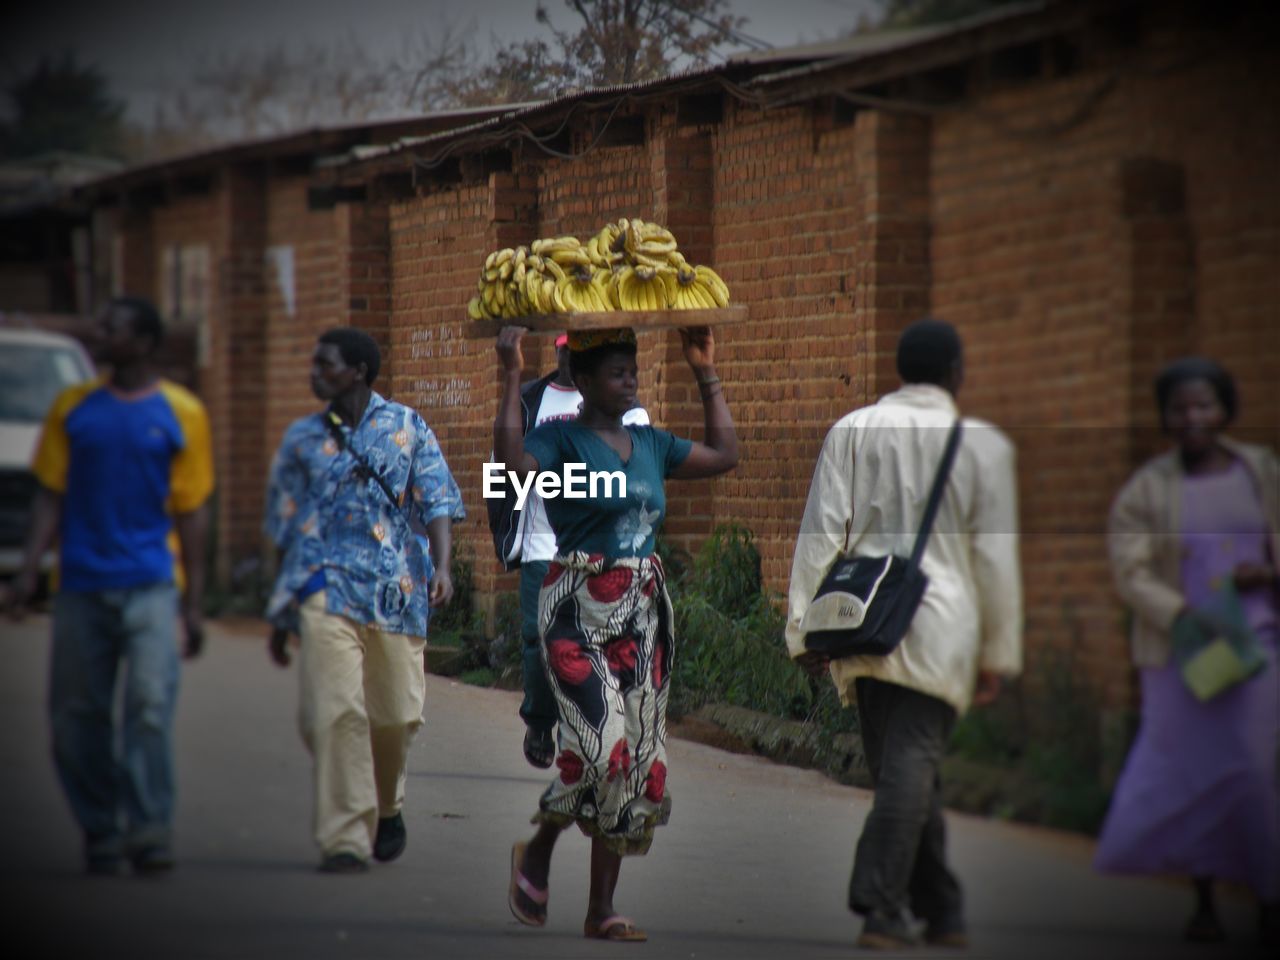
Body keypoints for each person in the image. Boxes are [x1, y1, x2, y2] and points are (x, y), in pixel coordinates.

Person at [785, 318, 1022, 950]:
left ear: (900, 369)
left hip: (863, 622)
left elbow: (820, 535)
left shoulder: (854, 430)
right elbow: (995, 561)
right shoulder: (982, 448)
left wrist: (803, 630)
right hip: (943, 629)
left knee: (908, 770)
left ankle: (934, 907)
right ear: (956, 374)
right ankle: (886, 904)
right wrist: (998, 654)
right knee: (910, 771)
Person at [495, 324, 737, 942]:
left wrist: (704, 369)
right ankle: (543, 846)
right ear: (582, 379)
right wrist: (508, 375)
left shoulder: (650, 442)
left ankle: (601, 908)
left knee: (634, 766)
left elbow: (725, 456)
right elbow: (510, 470)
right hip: (576, 610)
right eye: (616, 371)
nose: (630, 378)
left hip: (643, 616)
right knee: (603, 747)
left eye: (633, 369)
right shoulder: (558, 440)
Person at [4, 296, 213, 875]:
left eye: (113, 328)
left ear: (145, 343)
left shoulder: (182, 412)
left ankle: (149, 827)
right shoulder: (74, 407)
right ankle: (100, 826)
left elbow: (192, 509)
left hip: (151, 581)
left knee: (148, 705)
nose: (100, 334)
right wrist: (27, 571)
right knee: (76, 716)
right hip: (81, 583)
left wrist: (194, 603)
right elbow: (51, 492)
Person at [263, 327, 464, 874]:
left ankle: (388, 805)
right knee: (336, 712)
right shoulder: (303, 441)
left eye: (325, 364)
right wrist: (281, 613)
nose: (314, 373)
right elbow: (286, 529)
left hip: (395, 588)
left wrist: (442, 566)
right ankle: (346, 835)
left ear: (358, 371)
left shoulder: (406, 425)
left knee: (396, 715)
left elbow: (438, 496)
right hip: (324, 587)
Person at [1096, 357, 1279, 947]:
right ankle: (1203, 900)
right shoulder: (1147, 491)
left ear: (1226, 409)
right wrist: (1180, 612)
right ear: (1165, 417)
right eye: (1180, 408)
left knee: (1253, 767)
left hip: (1258, 641)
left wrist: (1268, 571)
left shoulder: (1261, 471)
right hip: (1185, 648)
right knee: (1194, 770)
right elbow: (1132, 570)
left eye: (1204, 405)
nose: (1192, 417)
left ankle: (1268, 892)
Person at [486, 332, 649, 769]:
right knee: (539, 641)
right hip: (543, 542)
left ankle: (583, 737)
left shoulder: (625, 410)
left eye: (574, 350)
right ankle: (540, 719)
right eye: (562, 348)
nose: (566, 357)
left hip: (602, 549)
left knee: (596, 650)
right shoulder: (529, 401)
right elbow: (502, 466)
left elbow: (632, 471)